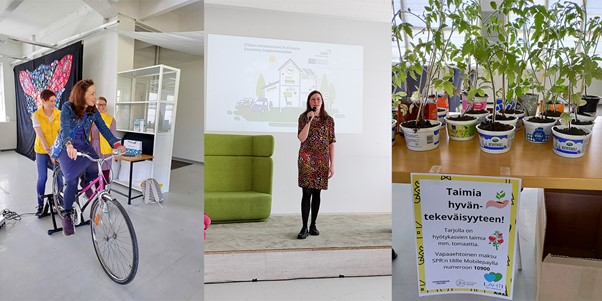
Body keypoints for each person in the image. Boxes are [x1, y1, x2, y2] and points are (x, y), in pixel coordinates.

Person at [54, 79, 125, 236]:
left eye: (95, 93)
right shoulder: (68, 107)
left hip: (84, 145)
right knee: (71, 180)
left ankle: (85, 181)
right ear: (82, 94)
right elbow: (65, 128)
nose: (95, 97)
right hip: (67, 147)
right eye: (92, 93)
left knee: (95, 167)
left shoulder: (93, 111)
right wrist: (69, 145)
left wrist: (116, 144)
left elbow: (104, 129)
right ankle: (66, 214)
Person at [296, 90, 335, 239]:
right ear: (309, 102)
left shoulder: (329, 120)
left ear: (322, 101)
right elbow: (301, 138)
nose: (316, 102)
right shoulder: (303, 117)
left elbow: (331, 142)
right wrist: (309, 121)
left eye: (318, 99)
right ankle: (304, 227)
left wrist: (332, 164)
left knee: (317, 192)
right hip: (306, 158)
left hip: (322, 160)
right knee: (306, 192)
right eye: (313, 99)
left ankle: (313, 225)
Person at [32, 89, 62, 216]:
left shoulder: (59, 114)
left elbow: (61, 133)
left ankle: (59, 203)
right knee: (42, 177)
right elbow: (41, 137)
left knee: (59, 177)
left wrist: (56, 151)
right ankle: (40, 204)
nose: (54, 103)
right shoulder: (36, 116)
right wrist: (50, 153)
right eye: (51, 101)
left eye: (55, 100)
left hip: (57, 149)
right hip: (41, 150)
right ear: (43, 101)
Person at [90, 96, 117, 183]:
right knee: (95, 173)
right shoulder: (91, 118)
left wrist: (116, 152)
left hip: (105, 149)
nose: (101, 107)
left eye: (103, 104)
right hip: (93, 147)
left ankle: (106, 194)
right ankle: (98, 194)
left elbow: (113, 136)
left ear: (106, 106)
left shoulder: (110, 119)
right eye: (98, 104)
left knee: (105, 173)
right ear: (95, 105)